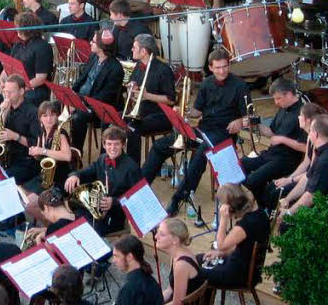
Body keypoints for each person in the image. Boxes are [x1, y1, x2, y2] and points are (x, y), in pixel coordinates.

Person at [141, 47, 249, 216]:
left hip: (224, 134)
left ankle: (178, 198)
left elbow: (249, 117)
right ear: (211, 68)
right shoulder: (206, 83)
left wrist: (240, 121)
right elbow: (197, 112)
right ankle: (140, 191)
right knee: (160, 146)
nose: (222, 71)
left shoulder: (240, 86)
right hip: (204, 129)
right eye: (218, 67)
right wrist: (183, 110)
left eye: (225, 66)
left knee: (199, 155)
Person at [240, 78, 306, 208]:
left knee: (253, 181)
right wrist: (255, 125)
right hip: (272, 154)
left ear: (288, 94)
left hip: (286, 160)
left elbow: (304, 147)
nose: (276, 102)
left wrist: (282, 139)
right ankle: (264, 203)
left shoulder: (303, 113)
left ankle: (264, 207)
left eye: (278, 99)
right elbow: (271, 132)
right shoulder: (283, 108)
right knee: (241, 165)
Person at [64, 126, 140, 236]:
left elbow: (136, 198)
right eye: (109, 144)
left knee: (87, 230)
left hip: (116, 215)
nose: (112, 148)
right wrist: (75, 175)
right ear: (104, 145)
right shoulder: (103, 158)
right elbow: (89, 171)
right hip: (98, 208)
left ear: (123, 144)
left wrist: (113, 202)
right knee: (75, 217)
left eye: (116, 144)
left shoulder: (132, 168)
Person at [278, 115, 328, 222]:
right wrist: (287, 199)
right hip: (323, 202)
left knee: (286, 226)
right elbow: (307, 178)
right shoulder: (321, 150)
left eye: (310, 131)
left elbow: (311, 197)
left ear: (315, 134)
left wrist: (288, 213)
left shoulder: (327, 159)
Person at [0, 12, 53, 115]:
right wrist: (0, 81)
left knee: (13, 108)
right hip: (13, 88)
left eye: (18, 27)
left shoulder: (42, 47)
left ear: (26, 29)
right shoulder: (18, 45)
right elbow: (7, 67)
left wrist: (19, 89)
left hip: (33, 90)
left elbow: (40, 78)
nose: (16, 29)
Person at [200, 183, 270, 288]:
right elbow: (246, 249)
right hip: (245, 268)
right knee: (196, 259)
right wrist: (221, 254)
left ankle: (184, 302)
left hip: (237, 275)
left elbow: (221, 245)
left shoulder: (245, 225)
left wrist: (223, 218)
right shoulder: (261, 214)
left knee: (193, 272)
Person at [68, 28, 124, 151]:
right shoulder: (93, 57)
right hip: (81, 99)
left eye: (93, 41)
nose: (90, 43)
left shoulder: (115, 68)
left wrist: (79, 102)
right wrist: (71, 95)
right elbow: (82, 78)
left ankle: (76, 154)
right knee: (52, 108)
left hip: (99, 108)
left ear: (101, 46)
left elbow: (104, 97)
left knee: (78, 117)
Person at [124, 34, 176, 157]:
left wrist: (147, 96)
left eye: (134, 47)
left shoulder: (163, 70)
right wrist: (132, 88)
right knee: (113, 121)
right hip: (142, 112)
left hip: (160, 115)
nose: (132, 49)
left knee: (132, 129)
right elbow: (134, 86)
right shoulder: (138, 65)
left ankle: (133, 169)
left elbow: (171, 100)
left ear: (144, 51)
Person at [0, 75, 41, 185]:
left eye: (10, 92)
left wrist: (15, 136)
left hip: (25, 161)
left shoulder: (32, 113)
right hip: (7, 158)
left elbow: (36, 144)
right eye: (5, 92)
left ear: (22, 91)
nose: (7, 96)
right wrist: (3, 113)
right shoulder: (5, 108)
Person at [24, 100, 74, 196]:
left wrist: (43, 151)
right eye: (45, 116)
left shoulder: (60, 133)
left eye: (52, 115)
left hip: (60, 179)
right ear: (40, 119)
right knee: (23, 192)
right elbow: (42, 158)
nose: (49, 119)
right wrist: (36, 154)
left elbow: (67, 156)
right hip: (46, 177)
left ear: (56, 116)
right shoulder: (42, 132)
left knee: (31, 198)